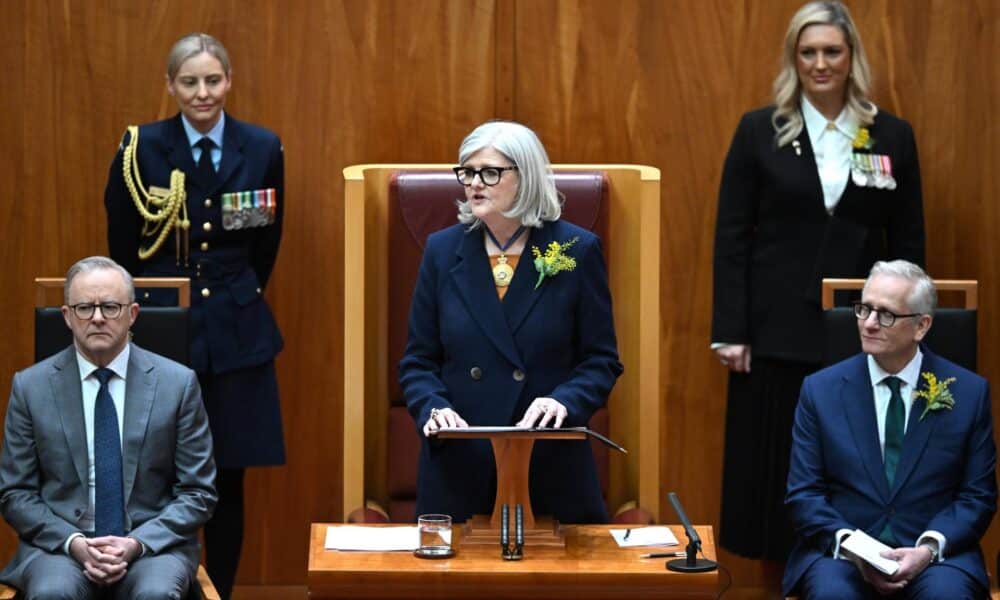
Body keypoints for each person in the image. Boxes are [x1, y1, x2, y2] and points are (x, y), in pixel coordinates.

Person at [712, 1, 925, 560]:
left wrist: (909, 329)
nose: (820, 63)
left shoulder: (889, 135)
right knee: (780, 456)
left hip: (862, 326)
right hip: (775, 326)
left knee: (854, 453)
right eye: (808, 53)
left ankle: (861, 566)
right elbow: (732, 235)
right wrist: (731, 330)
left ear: (851, 55)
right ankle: (785, 572)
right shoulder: (761, 129)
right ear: (794, 59)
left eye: (832, 51)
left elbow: (908, 241)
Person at [103, 33, 284, 599]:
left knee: (229, 479)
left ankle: (222, 592)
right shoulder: (141, 149)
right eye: (189, 82)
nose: (202, 93)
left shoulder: (261, 146)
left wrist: (231, 295)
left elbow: (265, 245)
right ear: (170, 86)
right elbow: (122, 248)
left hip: (237, 333)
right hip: (163, 330)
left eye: (212, 80)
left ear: (228, 81)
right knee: (152, 476)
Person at [399, 120, 623, 524]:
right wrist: (432, 406)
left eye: (489, 172)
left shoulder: (575, 249)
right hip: (461, 459)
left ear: (526, 176)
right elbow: (418, 361)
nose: (474, 184)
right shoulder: (441, 250)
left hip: (546, 459)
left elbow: (601, 360)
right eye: (467, 172)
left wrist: (563, 401)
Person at [0, 256, 217, 598]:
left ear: (132, 314)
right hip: (60, 546)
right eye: (85, 307)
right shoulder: (31, 387)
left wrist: (135, 544)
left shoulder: (178, 384)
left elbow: (199, 493)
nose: (98, 317)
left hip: (151, 545)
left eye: (110, 307)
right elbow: (15, 493)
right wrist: (73, 543)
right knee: (52, 593)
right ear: (67, 317)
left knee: (156, 594)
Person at [783, 260, 996, 599]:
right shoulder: (819, 391)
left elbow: (977, 496)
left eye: (886, 314)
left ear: (921, 326)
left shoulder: (968, 394)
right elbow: (804, 493)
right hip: (842, 555)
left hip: (937, 557)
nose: (868, 323)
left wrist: (928, 549)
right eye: (863, 309)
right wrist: (855, 548)